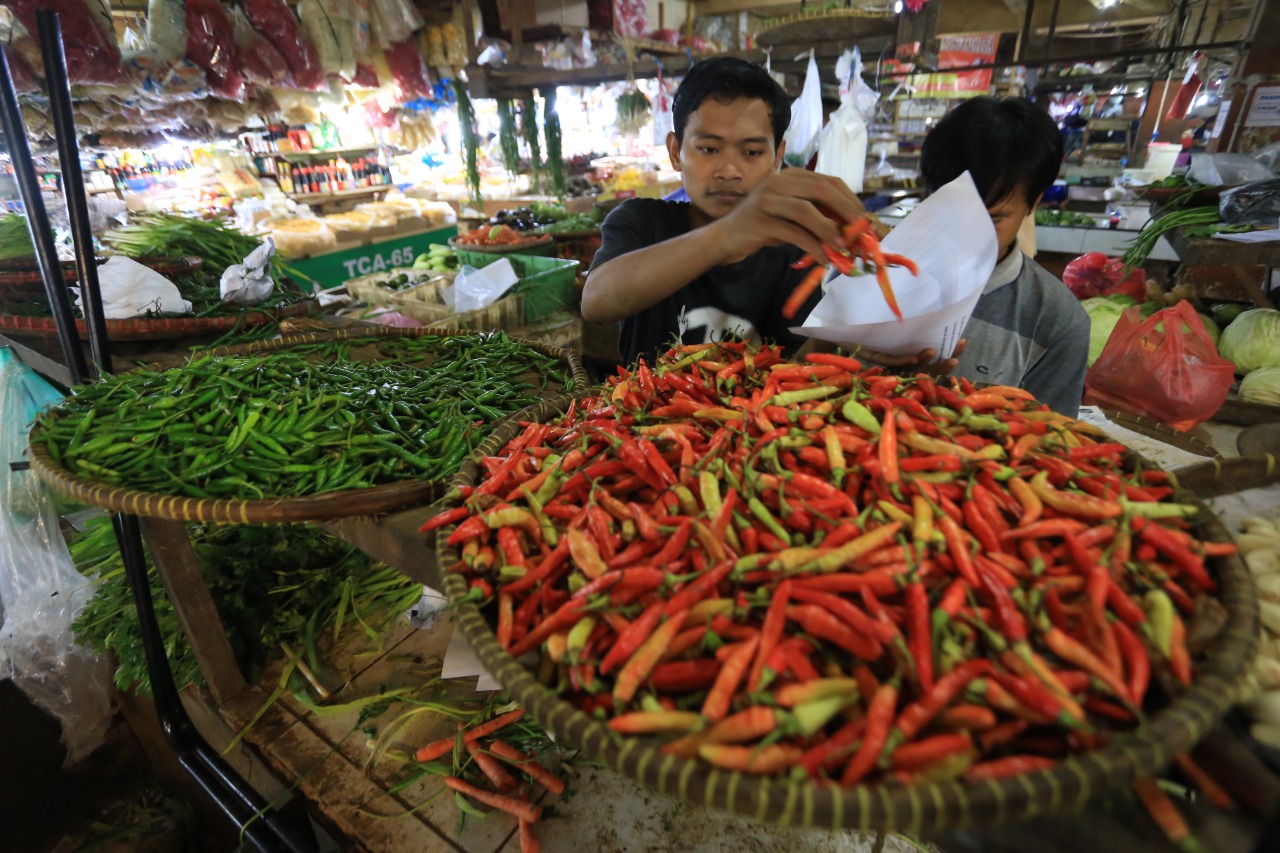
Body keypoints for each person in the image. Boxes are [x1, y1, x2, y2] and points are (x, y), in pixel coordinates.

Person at [581, 56, 875, 367]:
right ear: (674, 152)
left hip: (752, 415)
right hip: (641, 414)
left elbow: (798, 371)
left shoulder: (796, 252)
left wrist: (840, 333)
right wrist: (730, 233)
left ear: (777, 157)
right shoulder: (640, 221)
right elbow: (596, 302)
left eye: (752, 152)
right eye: (709, 149)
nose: (730, 170)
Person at [920, 96, 1089, 415]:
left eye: (993, 217)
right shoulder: (874, 272)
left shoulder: (1055, 322)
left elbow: (1049, 441)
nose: (965, 230)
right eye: (949, 207)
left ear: (1032, 203)